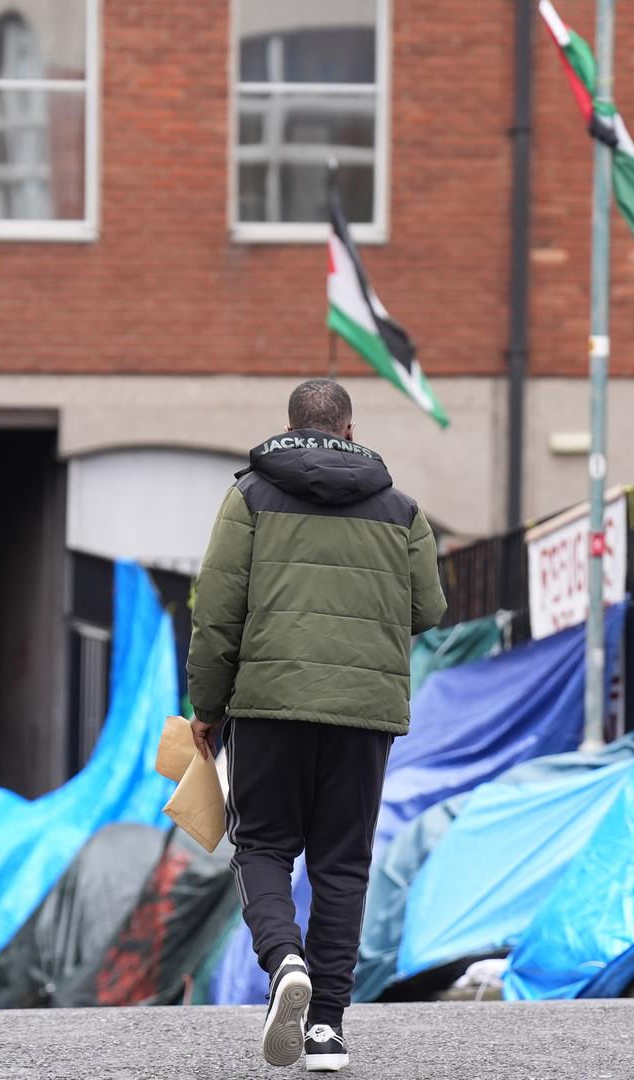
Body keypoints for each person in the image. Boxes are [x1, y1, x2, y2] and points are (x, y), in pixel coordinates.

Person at [188, 378, 447, 1072]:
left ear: (292, 426)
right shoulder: (401, 508)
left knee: (265, 847)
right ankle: (327, 1027)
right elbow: (429, 608)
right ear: (350, 432)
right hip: (363, 713)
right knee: (343, 865)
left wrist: (206, 709)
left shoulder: (249, 496)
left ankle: (284, 963)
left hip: (268, 706)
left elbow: (215, 608)